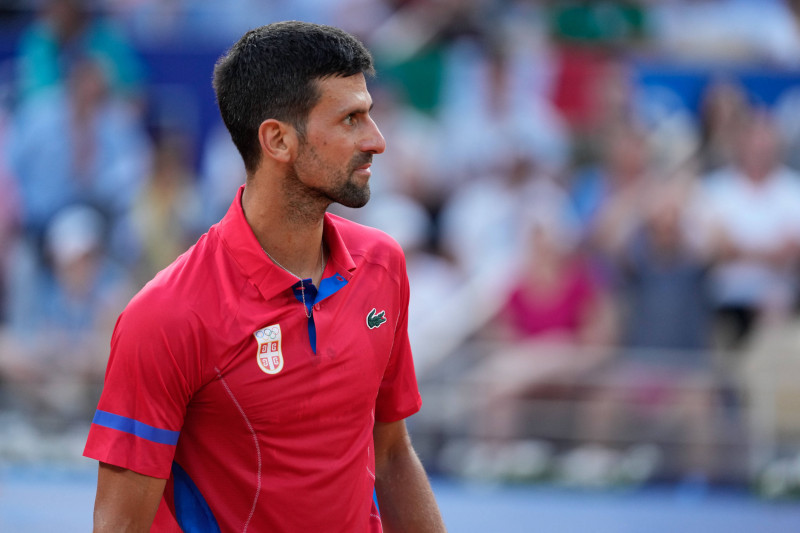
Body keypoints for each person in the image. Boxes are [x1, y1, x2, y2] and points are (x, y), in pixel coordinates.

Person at [83, 21, 446, 532]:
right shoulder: (164, 316)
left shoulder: (383, 264)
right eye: (351, 119)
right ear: (277, 140)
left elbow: (390, 455)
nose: (377, 140)